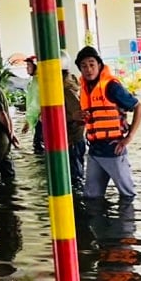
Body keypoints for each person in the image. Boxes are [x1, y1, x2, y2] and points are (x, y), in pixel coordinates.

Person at [76, 46, 141, 200]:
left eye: (92, 64)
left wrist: (129, 137)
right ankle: (97, 224)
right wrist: (78, 116)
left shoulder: (111, 87)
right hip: (94, 150)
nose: (88, 69)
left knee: (127, 196)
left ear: (99, 65)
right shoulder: (85, 88)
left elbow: (139, 107)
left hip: (114, 149)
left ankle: (127, 223)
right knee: (91, 197)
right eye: (84, 66)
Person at [61, 51, 87, 191]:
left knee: (75, 179)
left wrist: (69, 120)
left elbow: (79, 115)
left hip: (73, 141)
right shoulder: (70, 83)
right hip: (74, 139)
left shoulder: (66, 89)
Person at [20, 56, 43, 154]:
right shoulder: (33, 81)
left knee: (39, 147)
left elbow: (39, 102)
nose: (27, 68)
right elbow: (31, 103)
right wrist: (27, 122)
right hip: (36, 120)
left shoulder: (41, 82)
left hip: (41, 119)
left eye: (29, 65)